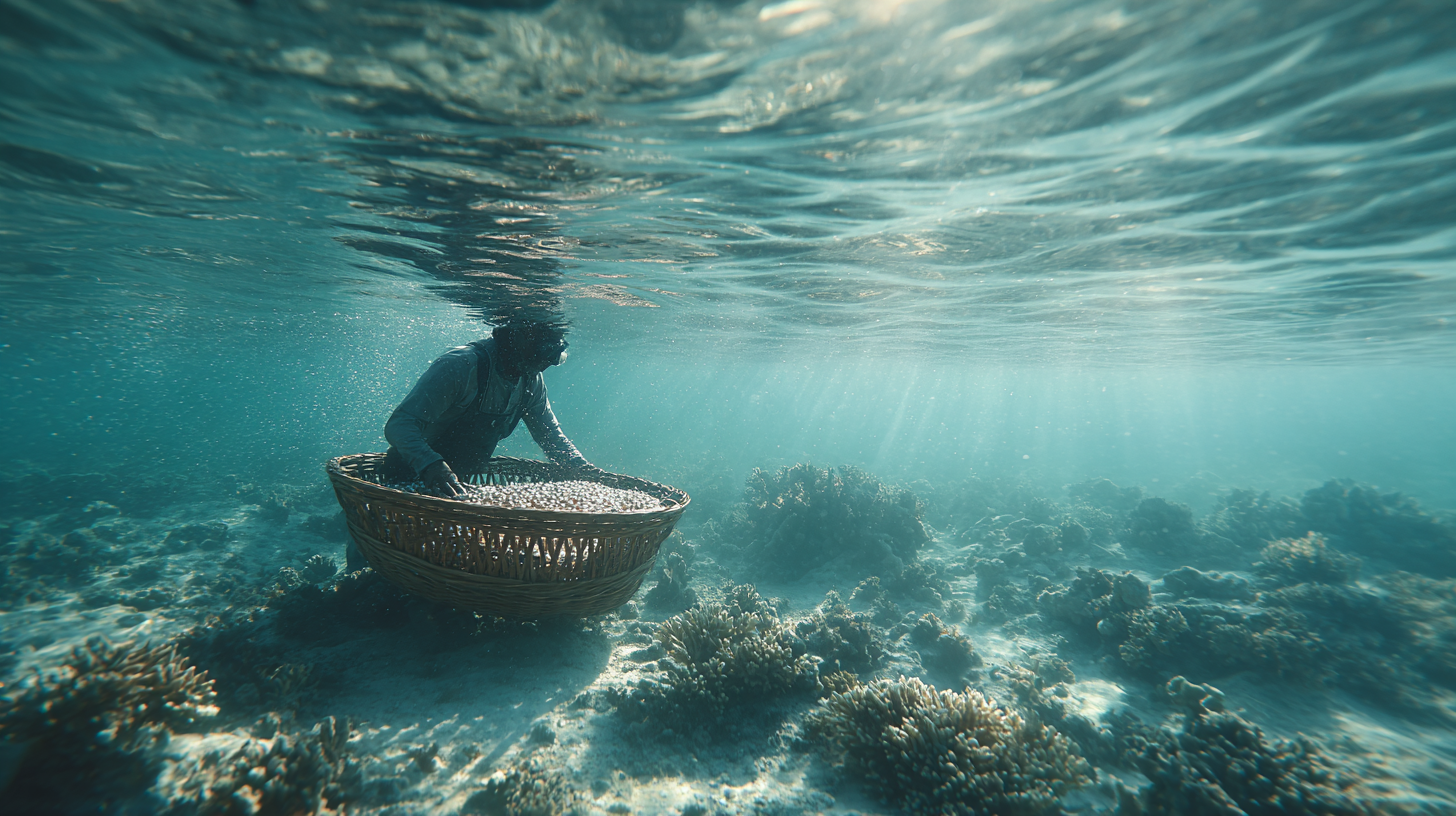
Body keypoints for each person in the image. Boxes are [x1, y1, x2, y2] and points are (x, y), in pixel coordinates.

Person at [380, 321, 599, 498]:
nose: (547, 363)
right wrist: (430, 465)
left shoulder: (531, 379)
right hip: (408, 476)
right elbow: (400, 425)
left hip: (457, 488)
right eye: (544, 351)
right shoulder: (461, 366)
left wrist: (583, 470)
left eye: (556, 356)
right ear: (517, 338)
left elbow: (550, 436)